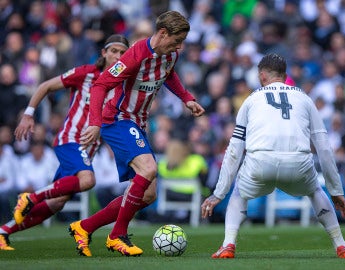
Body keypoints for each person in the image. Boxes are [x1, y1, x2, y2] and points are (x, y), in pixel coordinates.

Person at [201, 53, 345, 259]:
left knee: (239, 192)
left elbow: (234, 148)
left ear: (262, 75)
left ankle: (228, 245)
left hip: (260, 163)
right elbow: (324, 147)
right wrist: (336, 190)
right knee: (316, 191)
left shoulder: (251, 99)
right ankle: (341, 246)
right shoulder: (304, 97)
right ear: (284, 75)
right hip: (298, 164)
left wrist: (218, 193)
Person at [80, 10, 205, 257]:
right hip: (117, 119)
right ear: (162, 33)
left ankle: (84, 227)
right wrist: (94, 123)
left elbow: (168, 75)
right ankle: (117, 235)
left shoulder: (170, 55)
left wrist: (186, 98)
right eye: (176, 40)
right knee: (148, 169)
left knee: (147, 195)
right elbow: (101, 85)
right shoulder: (134, 55)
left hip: (138, 122)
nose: (179, 46)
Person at [0, 34, 129, 251]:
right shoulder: (86, 73)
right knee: (87, 180)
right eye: (113, 51)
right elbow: (46, 86)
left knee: (55, 204)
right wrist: (29, 114)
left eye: (122, 53)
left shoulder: (122, 84)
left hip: (87, 151)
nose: (117, 56)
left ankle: (4, 231)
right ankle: (30, 197)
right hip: (70, 139)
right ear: (104, 53)